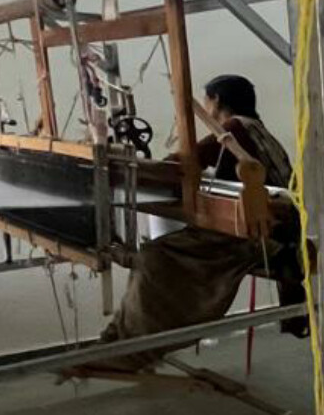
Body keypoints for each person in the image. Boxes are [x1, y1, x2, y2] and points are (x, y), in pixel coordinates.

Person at [88, 74, 302, 371]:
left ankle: (136, 345)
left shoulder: (233, 129)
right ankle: (124, 340)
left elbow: (188, 161)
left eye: (206, 100)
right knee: (157, 253)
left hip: (255, 232)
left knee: (154, 257)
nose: (205, 106)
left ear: (215, 101)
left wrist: (136, 172)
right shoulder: (259, 131)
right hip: (272, 223)